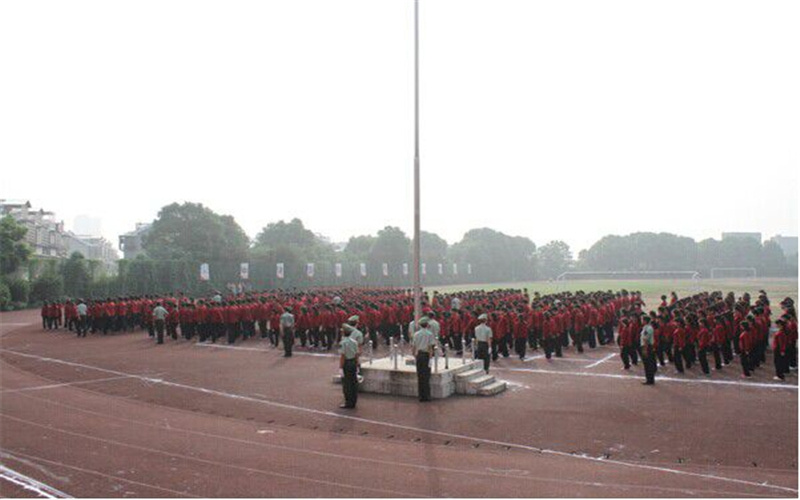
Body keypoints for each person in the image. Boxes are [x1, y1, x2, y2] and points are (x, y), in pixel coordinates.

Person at [412, 317, 436, 402]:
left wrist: (415, 356)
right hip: (426, 355)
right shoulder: (429, 334)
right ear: (427, 325)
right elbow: (430, 347)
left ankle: (421, 396)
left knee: (420, 375)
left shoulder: (416, 334)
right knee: (426, 376)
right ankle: (427, 396)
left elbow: (414, 347)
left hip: (419, 355)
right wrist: (430, 358)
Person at [339, 325, 360, 409]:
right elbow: (356, 354)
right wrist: (357, 364)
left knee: (347, 384)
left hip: (347, 363)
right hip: (353, 362)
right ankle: (353, 401)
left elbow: (343, 356)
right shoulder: (354, 342)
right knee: (353, 382)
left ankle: (348, 402)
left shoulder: (343, 342)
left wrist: (340, 367)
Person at [640, 316, 657, 385]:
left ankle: (649, 379)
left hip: (647, 347)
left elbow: (645, 339)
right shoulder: (647, 328)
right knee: (648, 363)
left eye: (642, 320)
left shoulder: (647, 329)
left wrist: (645, 349)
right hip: (648, 346)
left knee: (647, 364)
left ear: (645, 321)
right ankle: (650, 379)